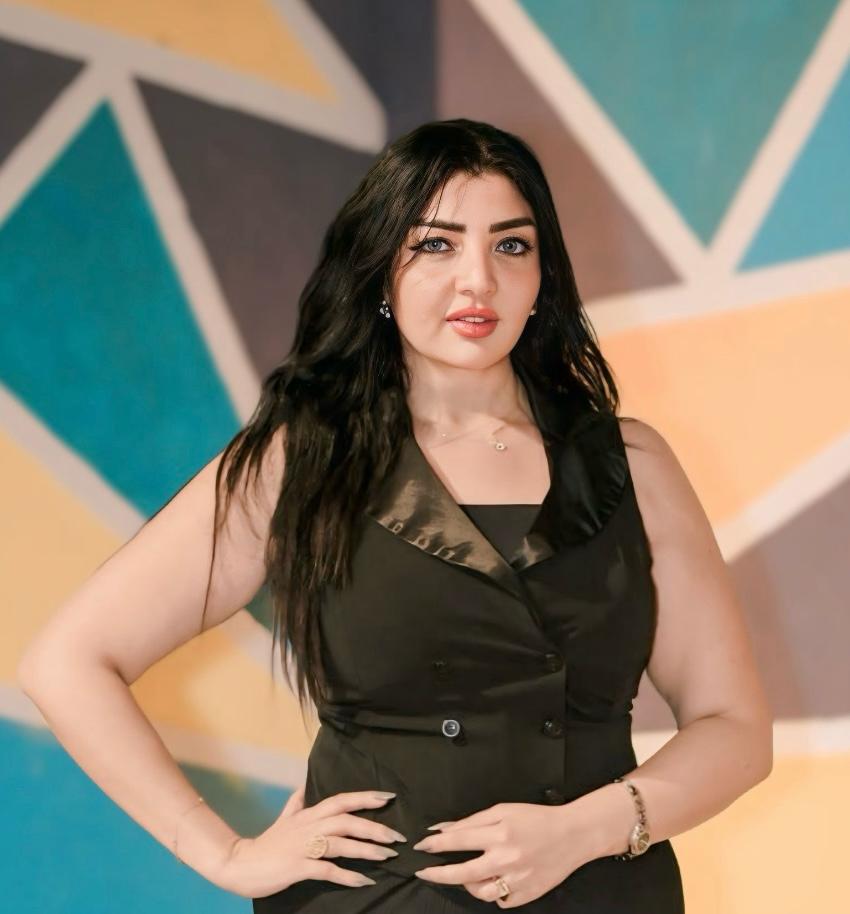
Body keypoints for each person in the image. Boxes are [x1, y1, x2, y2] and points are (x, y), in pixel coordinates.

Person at [18, 119, 774, 912]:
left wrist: (587, 829)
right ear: (381, 269)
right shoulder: (301, 460)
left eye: (511, 245)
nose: (478, 279)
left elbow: (733, 727)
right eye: (437, 245)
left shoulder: (632, 464)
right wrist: (224, 853)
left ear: (543, 275)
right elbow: (67, 662)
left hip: (601, 890)